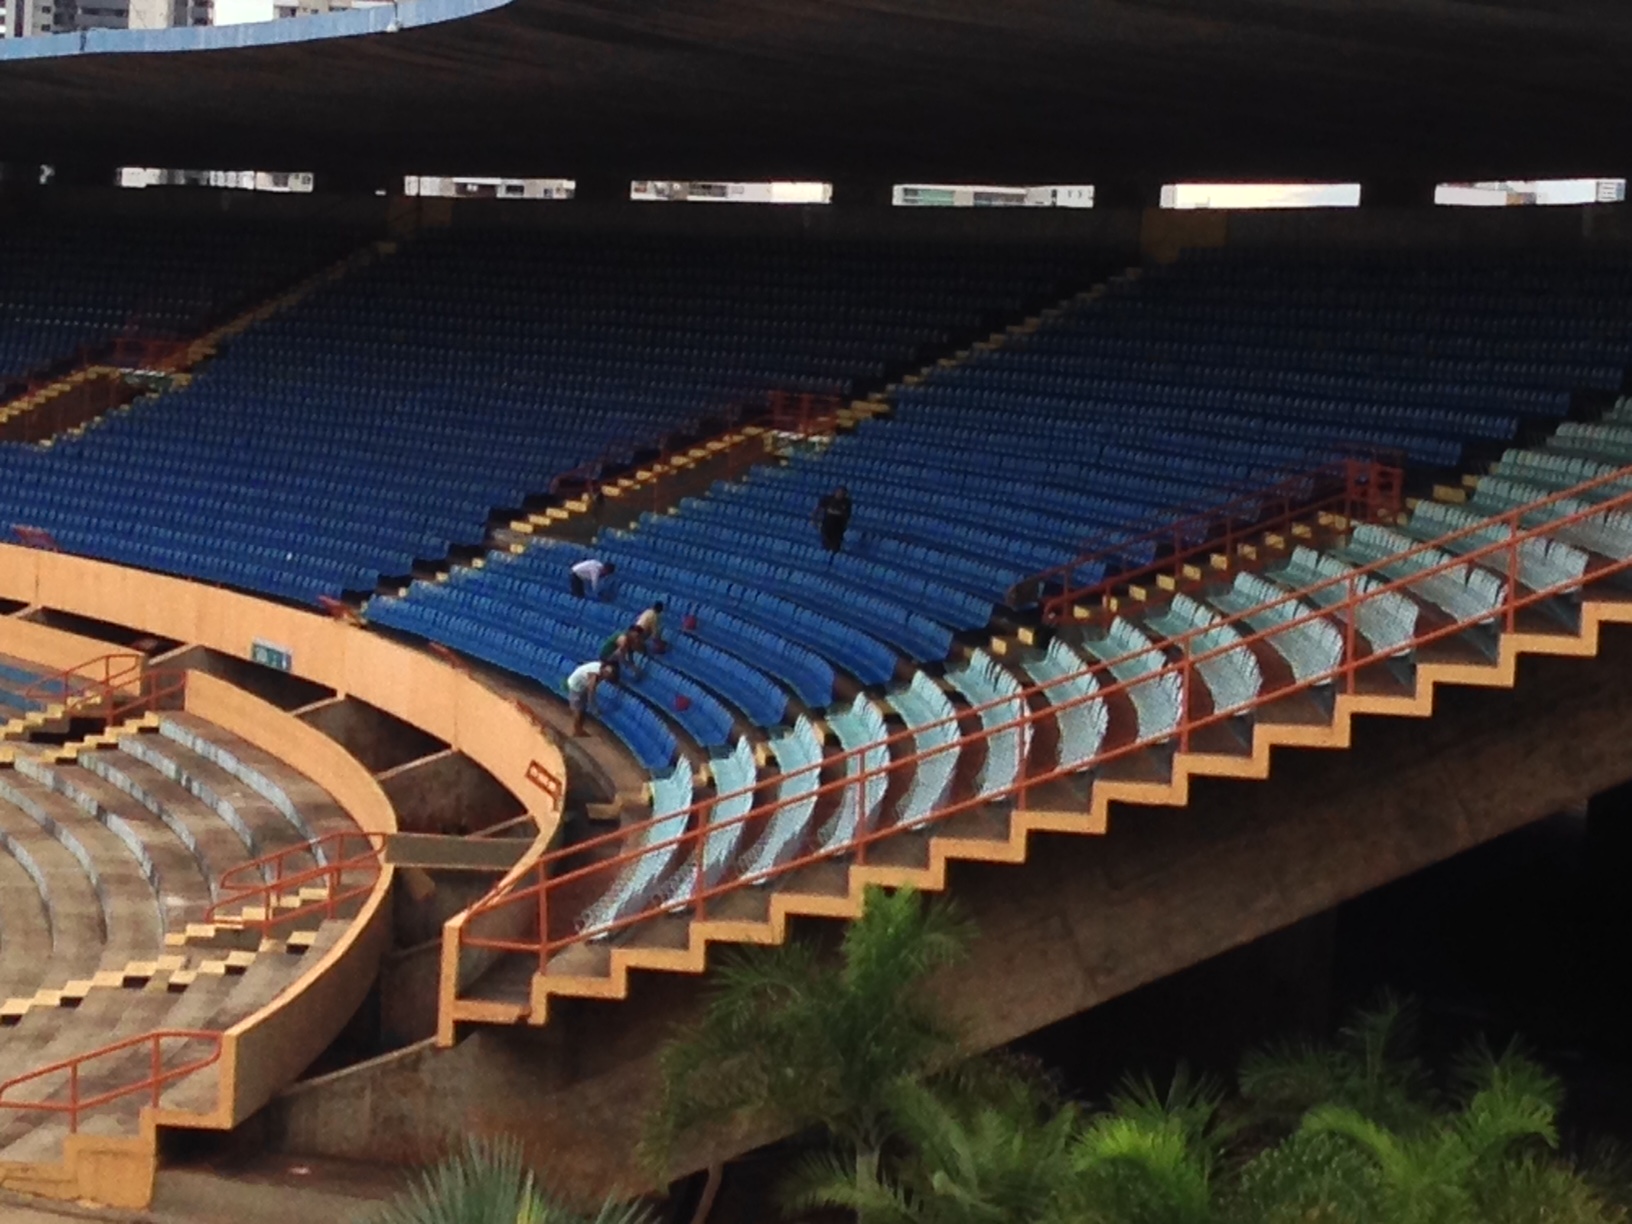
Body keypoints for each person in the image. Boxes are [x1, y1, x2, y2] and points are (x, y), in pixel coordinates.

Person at [566, 659, 618, 736]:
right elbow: (591, 692)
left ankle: (579, 728)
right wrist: (594, 708)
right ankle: (576, 730)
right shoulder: (594, 675)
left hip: (582, 685)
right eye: (607, 674)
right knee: (579, 710)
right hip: (576, 686)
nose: (606, 677)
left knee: (582, 708)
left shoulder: (600, 668)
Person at [812, 486, 852, 553]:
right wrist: (814, 519)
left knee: (836, 544)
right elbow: (817, 510)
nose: (840, 494)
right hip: (827, 525)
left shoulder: (847, 503)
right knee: (826, 541)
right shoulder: (828, 499)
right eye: (839, 492)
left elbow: (847, 515)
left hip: (839, 526)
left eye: (842, 493)